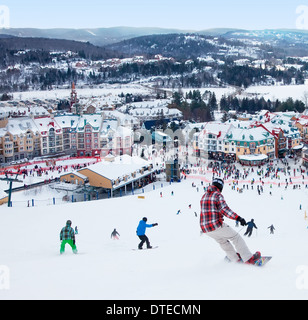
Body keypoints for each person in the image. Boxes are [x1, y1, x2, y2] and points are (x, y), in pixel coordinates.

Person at [200, 178, 261, 264]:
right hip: (215, 225)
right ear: (221, 187)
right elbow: (224, 210)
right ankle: (248, 259)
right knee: (235, 237)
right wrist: (238, 218)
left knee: (222, 241)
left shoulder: (204, 195)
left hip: (205, 229)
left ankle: (234, 259)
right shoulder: (217, 195)